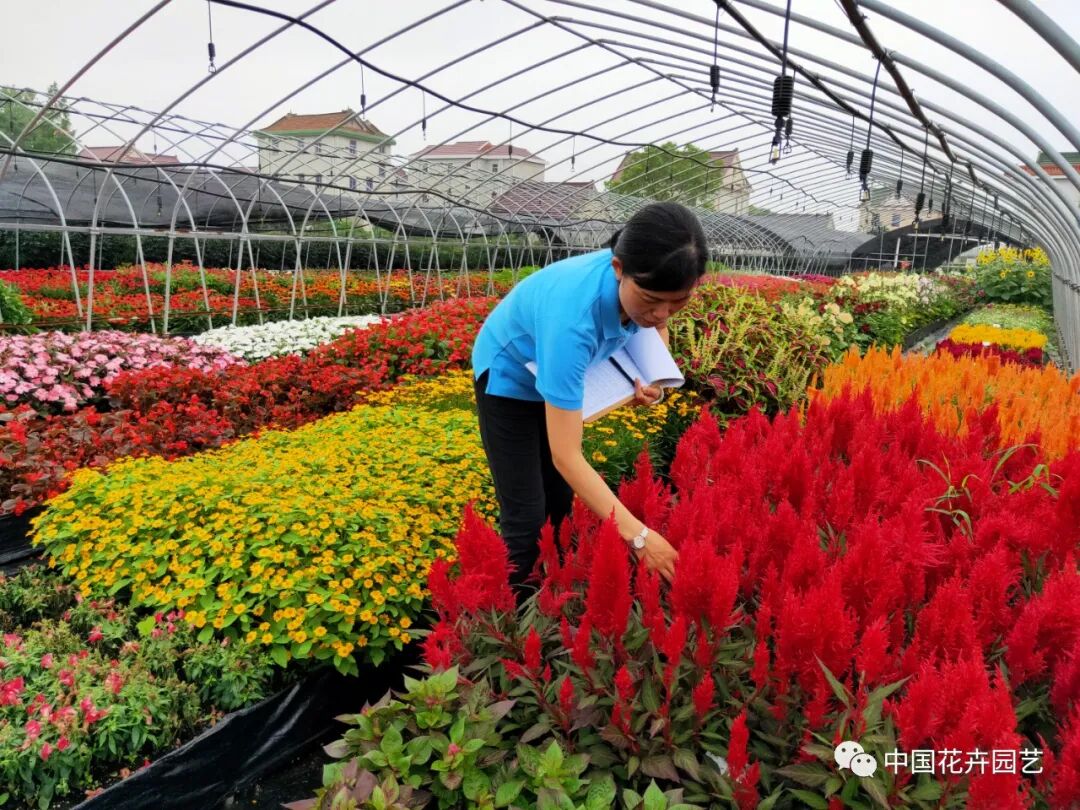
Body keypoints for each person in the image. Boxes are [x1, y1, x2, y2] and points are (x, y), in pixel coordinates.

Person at [471, 201, 708, 596]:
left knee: (560, 506)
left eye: (678, 301)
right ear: (618, 269)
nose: (662, 314)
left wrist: (653, 377)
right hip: (510, 376)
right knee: (527, 520)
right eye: (650, 301)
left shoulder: (646, 279)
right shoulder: (571, 323)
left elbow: (656, 325)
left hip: (557, 365)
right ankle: (511, 616)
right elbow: (568, 456)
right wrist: (638, 537)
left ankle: (553, 595)